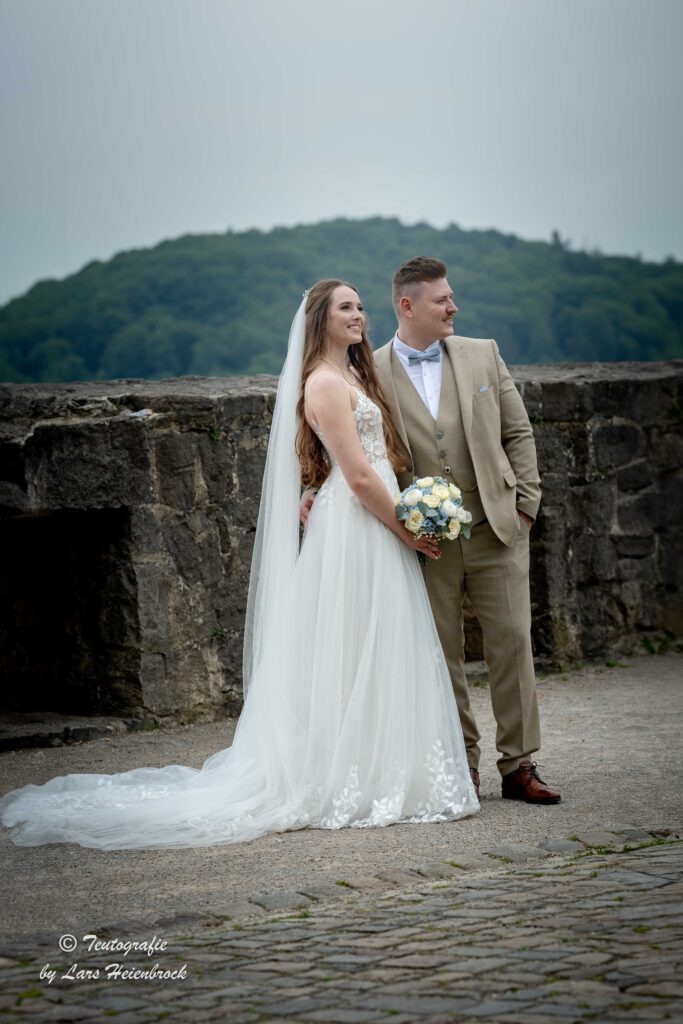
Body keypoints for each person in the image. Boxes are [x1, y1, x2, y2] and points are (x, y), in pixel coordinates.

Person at [0, 280, 478, 850]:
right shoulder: (324, 382)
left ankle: (380, 765)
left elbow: (343, 466)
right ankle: (348, 775)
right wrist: (407, 529)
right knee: (351, 643)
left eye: (359, 306)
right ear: (320, 320)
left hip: (365, 519)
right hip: (358, 526)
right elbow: (356, 474)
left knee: (369, 645)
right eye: (345, 307)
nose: (359, 315)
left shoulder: (350, 375)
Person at [303, 258, 560, 804]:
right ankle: (459, 765)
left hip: (496, 525)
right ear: (407, 305)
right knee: (438, 653)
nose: (453, 306)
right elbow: (342, 445)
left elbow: (520, 433)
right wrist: (311, 490)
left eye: (451, 297)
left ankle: (519, 765)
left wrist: (525, 507)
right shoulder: (364, 370)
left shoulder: (482, 353)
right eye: (442, 299)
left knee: (512, 644)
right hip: (425, 538)